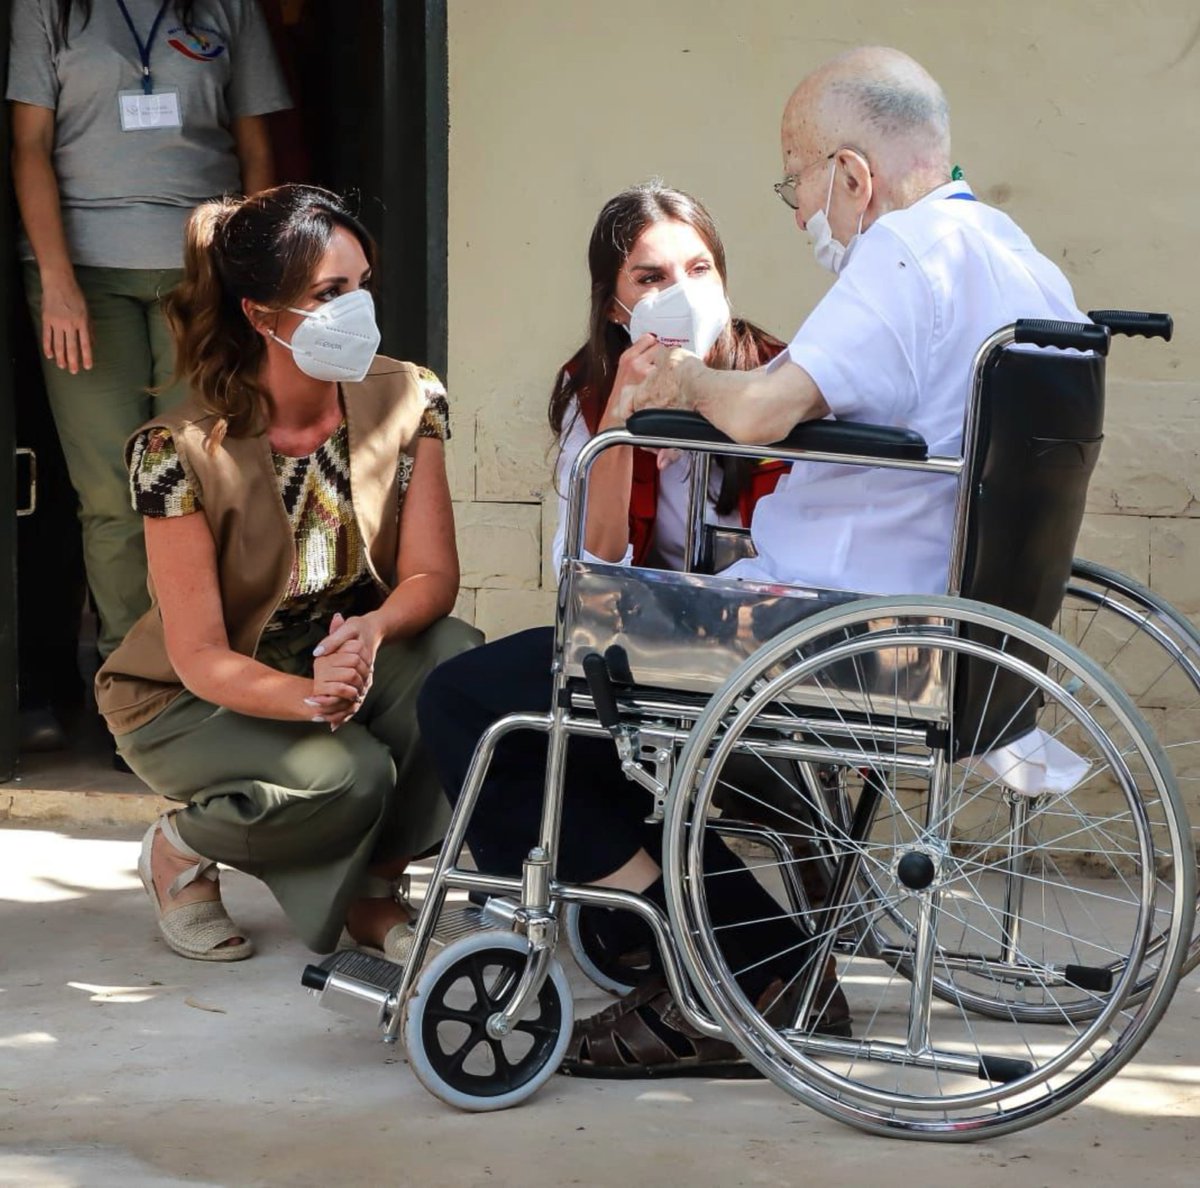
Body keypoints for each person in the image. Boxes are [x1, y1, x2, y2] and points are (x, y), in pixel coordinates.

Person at [418, 183, 846, 1078]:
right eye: (650, 278)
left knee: (466, 702)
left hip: (754, 640)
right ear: (616, 304)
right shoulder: (593, 387)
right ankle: (738, 949)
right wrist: (618, 422)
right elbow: (592, 569)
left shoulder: (776, 379)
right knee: (532, 720)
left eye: (698, 269)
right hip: (643, 638)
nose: (679, 291)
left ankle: (707, 944)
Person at [95, 184, 481, 962]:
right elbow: (199, 655)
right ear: (260, 315)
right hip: (189, 696)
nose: (357, 309)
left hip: (332, 648)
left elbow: (432, 577)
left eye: (361, 285)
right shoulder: (177, 450)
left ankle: (375, 891)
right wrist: (313, 699)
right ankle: (182, 847)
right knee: (350, 777)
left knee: (457, 663)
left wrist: (373, 632)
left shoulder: (411, 397)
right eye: (329, 293)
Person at [7, 0, 291, 683]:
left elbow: (257, 151)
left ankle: (203, 668)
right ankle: (130, 679)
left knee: (199, 480)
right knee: (111, 492)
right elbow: (28, 147)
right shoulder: (46, 8)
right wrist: (57, 281)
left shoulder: (228, 8)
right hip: (82, 277)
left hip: (202, 274)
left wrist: (255, 278)